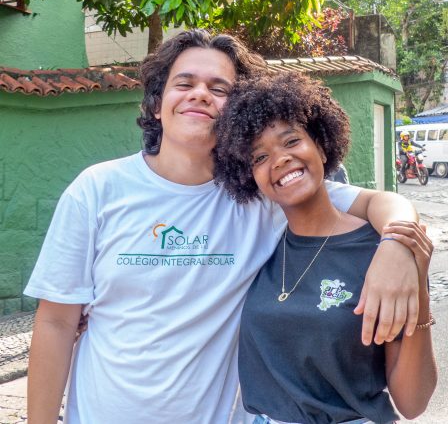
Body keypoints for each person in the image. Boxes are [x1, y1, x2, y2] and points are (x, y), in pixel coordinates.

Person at [25, 30, 421, 424]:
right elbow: (57, 321)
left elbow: (379, 203)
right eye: (185, 83)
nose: (200, 94)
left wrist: (396, 248)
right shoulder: (97, 190)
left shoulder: (261, 192)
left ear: (236, 114)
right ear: (157, 105)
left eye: (219, 88)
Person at [213, 73, 438, 424]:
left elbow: (412, 402)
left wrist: (418, 287)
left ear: (320, 143)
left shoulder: (379, 251)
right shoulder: (260, 244)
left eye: (291, 141)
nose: (279, 160)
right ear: (249, 176)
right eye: (259, 157)